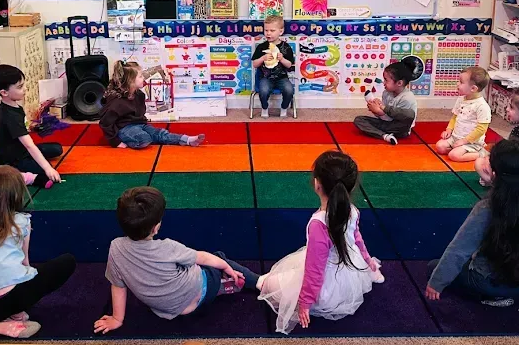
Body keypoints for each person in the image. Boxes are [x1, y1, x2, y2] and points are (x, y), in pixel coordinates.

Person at [93, 187, 260, 334]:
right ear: (155, 227)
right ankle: (258, 282)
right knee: (218, 257)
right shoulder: (168, 247)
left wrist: (117, 318)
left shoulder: (115, 248)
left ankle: (221, 284)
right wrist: (225, 266)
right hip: (198, 294)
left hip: (164, 310)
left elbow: (117, 285)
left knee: (199, 267)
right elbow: (201, 257)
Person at [426, 139, 519, 307]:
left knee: (433, 267)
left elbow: (458, 250)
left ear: (495, 174)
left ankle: (492, 296)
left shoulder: (488, 208)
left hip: (492, 283)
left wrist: (436, 283)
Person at [258, 151, 383, 334]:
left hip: (327, 287)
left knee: (267, 284)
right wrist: (367, 261)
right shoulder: (352, 210)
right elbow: (357, 239)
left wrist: (305, 303)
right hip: (349, 270)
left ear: (317, 184)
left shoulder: (318, 225)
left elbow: (315, 269)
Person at [0, 166, 76, 338]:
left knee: (5, 286)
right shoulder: (20, 222)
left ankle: (3, 320)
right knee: (67, 261)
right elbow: (24, 262)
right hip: (13, 297)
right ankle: (12, 313)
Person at [99, 61, 204, 149]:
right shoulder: (117, 102)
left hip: (140, 125)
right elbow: (105, 123)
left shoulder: (139, 95)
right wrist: (116, 142)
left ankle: (187, 140)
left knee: (160, 133)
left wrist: (146, 127)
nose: (143, 79)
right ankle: (137, 139)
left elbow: (140, 114)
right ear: (130, 81)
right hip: (125, 128)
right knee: (144, 138)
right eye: (140, 76)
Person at [0, 65, 62, 186]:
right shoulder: (9, 115)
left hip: (21, 150)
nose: (25, 89)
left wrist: (32, 127)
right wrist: (48, 168)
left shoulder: (14, 106)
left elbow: (22, 128)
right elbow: (29, 145)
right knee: (46, 172)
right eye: (20, 87)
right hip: (13, 160)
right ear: (4, 92)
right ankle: (14, 172)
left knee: (57, 148)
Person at [353, 59, 418, 145]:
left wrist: (381, 110)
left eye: (386, 80)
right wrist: (376, 108)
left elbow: (403, 118)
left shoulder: (407, 98)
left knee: (409, 114)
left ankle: (381, 132)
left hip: (400, 128)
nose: (383, 82)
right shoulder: (386, 92)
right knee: (359, 120)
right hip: (387, 123)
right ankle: (385, 136)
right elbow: (385, 117)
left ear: (399, 83)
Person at [436, 67, 491, 162]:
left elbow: (481, 129)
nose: (457, 84)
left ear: (473, 88)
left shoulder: (482, 106)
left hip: (471, 142)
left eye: (461, 82)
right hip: (455, 137)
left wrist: (464, 141)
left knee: (454, 156)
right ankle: (459, 150)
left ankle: (481, 154)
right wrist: (449, 129)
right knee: (440, 146)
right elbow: (455, 116)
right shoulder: (461, 99)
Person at [251, 15, 295, 118]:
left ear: (280, 31)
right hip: (265, 78)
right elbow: (254, 64)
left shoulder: (286, 47)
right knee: (263, 90)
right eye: (266, 30)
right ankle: (265, 108)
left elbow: (289, 65)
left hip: (282, 78)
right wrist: (262, 58)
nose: (268, 33)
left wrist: (282, 59)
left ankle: (284, 108)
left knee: (289, 90)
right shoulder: (261, 47)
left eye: (272, 30)